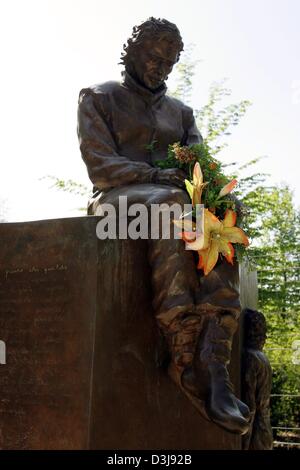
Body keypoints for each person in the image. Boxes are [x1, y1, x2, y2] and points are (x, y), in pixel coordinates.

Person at [77, 17, 250, 435]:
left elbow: (200, 170)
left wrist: (210, 192)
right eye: (155, 59)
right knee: (173, 203)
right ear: (132, 50)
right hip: (116, 200)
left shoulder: (182, 113)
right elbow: (100, 167)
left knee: (223, 208)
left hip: (171, 199)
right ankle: (185, 355)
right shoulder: (99, 97)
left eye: (169, 64)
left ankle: (215, 358)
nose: (161, 69)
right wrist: (157, 176)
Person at [242, 308, 273, 449]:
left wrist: (244, 442)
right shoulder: (263, 358)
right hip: (265, 427)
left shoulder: (250, 357)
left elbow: (250, 406)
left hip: (256, 432)